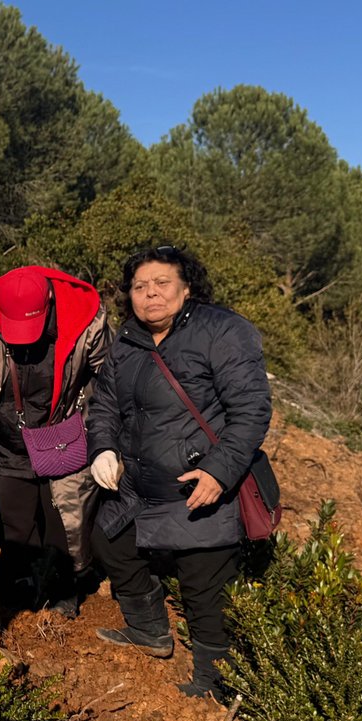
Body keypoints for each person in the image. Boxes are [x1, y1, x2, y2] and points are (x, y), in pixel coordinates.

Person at [86, 244, 272, 698]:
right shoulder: (128, 341)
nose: (150, 294)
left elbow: (251, 411)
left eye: (162, 283)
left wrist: (217, 473)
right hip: (138, 488)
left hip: (201, 489)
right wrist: (102, 448)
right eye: (139, 286)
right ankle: (150, 630)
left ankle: (215, 683)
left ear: (187, 288)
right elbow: (105, 403)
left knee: (203, 587)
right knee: (107, 539)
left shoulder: (221, 331)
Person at [0, 267, 107, 617]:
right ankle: (20, 585)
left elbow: (109, 378)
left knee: (62, 521)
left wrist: (101, 435)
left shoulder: (85, 321)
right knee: (15, 524)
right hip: (7, 441)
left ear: (49, 302)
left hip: (62, 438)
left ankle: (63, 590)